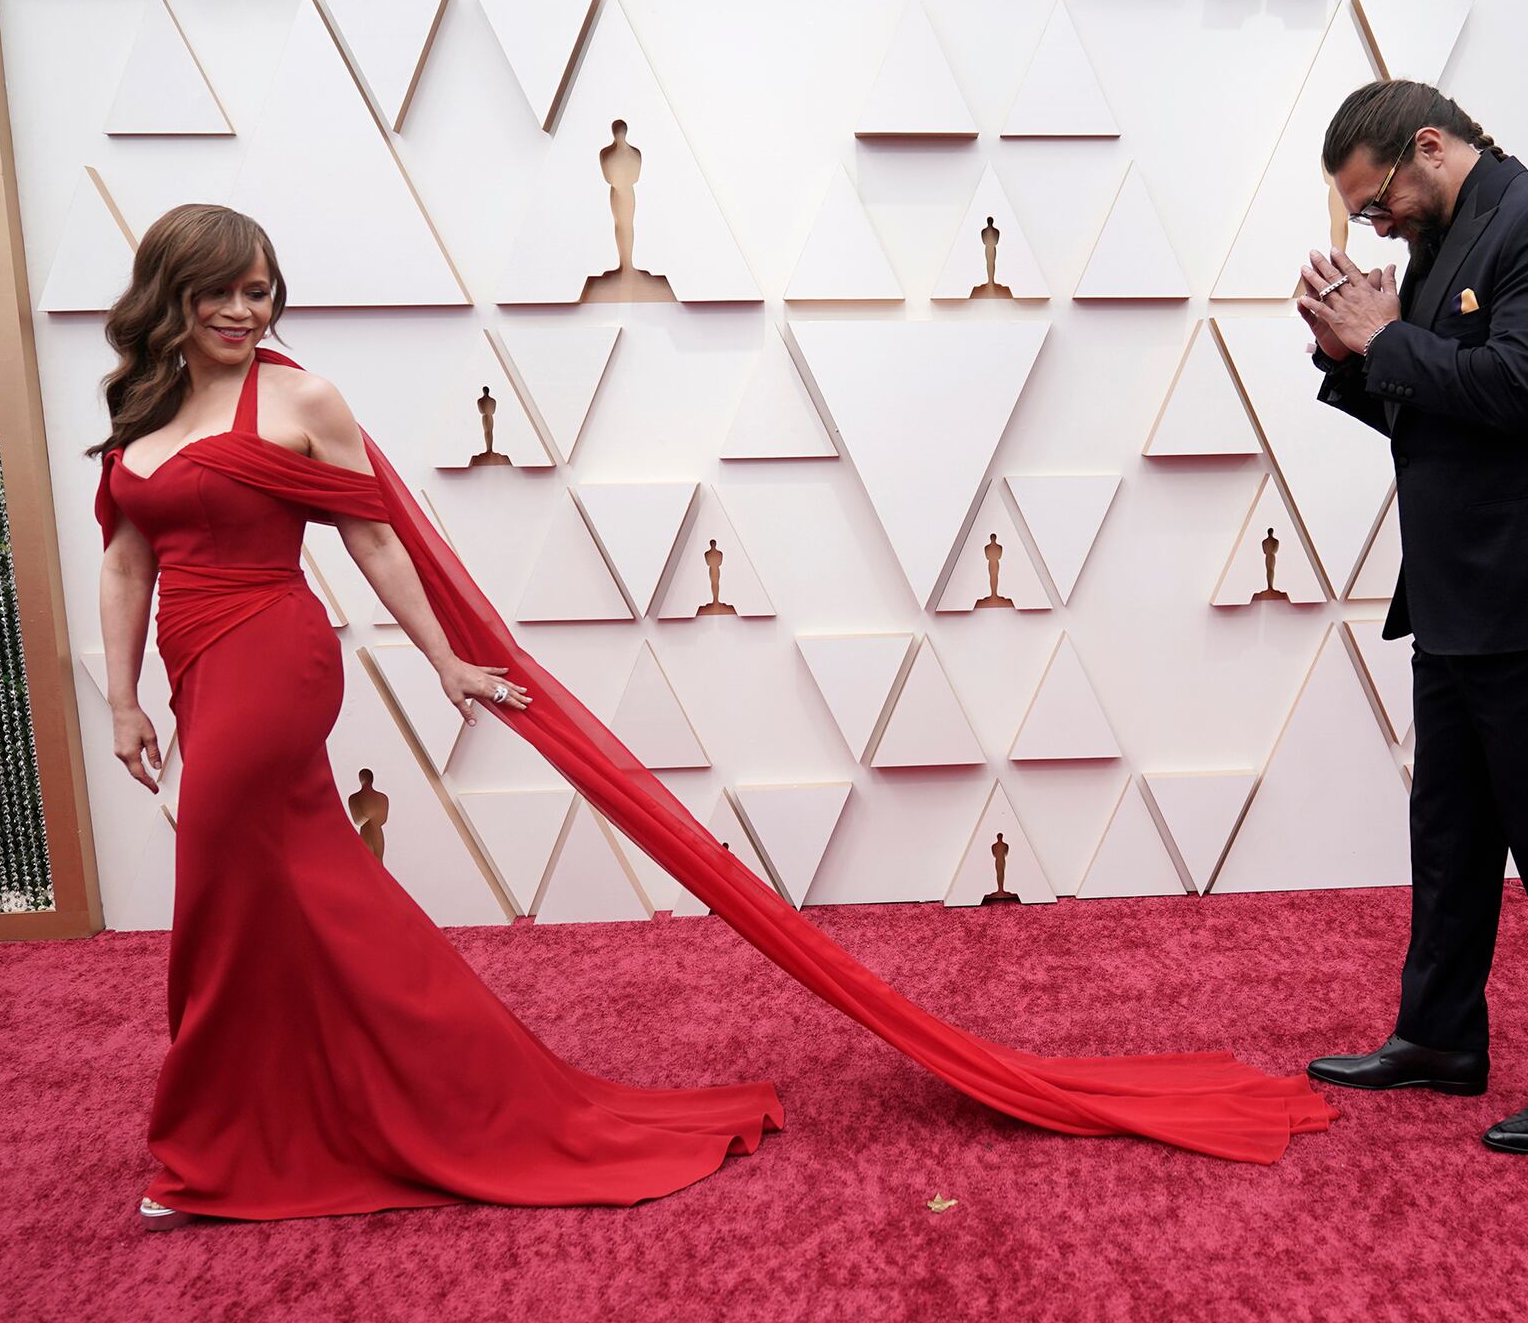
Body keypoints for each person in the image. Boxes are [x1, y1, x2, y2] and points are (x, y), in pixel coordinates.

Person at [92, 205, 1337, 1230]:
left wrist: (447, 661)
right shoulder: (143, 413)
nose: (247, 310)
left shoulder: (302, 400)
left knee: (222, 892)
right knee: (292, 903)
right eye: (223, 291)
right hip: (196, 667)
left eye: (261, 289)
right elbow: (127, 561)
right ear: (171, 294)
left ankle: (213, 1145)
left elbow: (374, 541)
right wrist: (124, 698)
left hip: (276, 656)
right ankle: (330, 1105)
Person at [1293, 81, 1528, 1155]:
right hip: (1455, 590)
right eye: (1362, 214)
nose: (1375, 226)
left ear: (1431, 146)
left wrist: (1381, 337)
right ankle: (1440, 1035)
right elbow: (1429, 407)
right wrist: (1345, 351)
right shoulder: (1439, 243)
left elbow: (1519, 388)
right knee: (1449, 836)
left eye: (1378, 203)